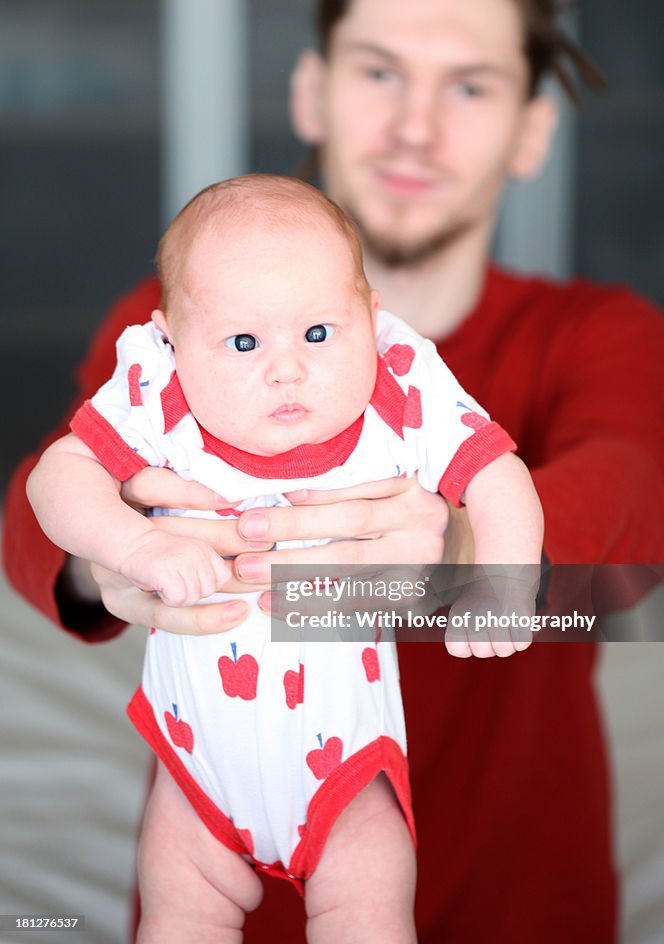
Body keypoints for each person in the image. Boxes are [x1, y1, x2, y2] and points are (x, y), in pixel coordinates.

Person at [4, 0, 664, 941]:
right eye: (378, 71)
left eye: (467, 85)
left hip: (521, 905)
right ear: (312, 89)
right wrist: (110, 558)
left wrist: (464, 551)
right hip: (228, 887)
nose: (415, 124)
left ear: (530, 129)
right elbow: (37, 515)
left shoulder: (593, 331)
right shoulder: (178, 327)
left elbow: (640, 527)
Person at [26, 173, 542, 943]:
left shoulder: (400, 393)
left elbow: (498, 473)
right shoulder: (158, 395)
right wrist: (133, 542)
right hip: (197, 769)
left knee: (368, 910)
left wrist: (500, 577)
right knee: (178, 914)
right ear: (172, 341)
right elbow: (54, 479)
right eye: (242, 343)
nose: (287, 369)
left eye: (318, 333)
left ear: (369, 319)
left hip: (344, 770)